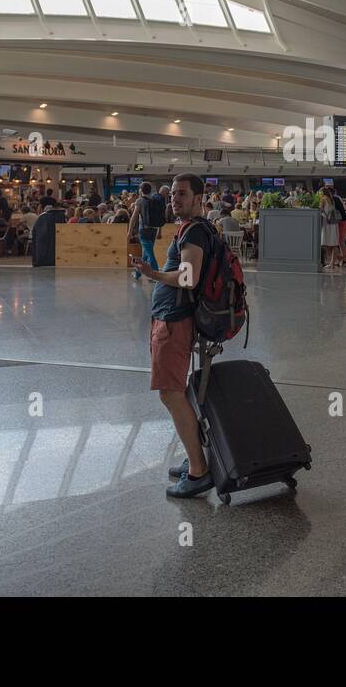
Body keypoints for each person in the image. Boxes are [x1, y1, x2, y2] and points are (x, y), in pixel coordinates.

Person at [135, 174, 217, 496]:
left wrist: (152, 273)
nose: (175, 199)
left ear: (199, 197)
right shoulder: (191, 229)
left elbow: (188, 278)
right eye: (173, 195)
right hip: (171, 319)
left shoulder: (194, 231)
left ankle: (199, 472)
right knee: (178, 392)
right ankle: (195, 457)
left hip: (174, 321)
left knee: (170, 393)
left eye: (183, 194)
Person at [319, 187, 341, 269]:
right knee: (333, 243)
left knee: (324, 243)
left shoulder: (323, 199)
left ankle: (333, 261)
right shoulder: (331, 199)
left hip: (326, 222)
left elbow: (321, 210)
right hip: (333, 222)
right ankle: (332, 262)